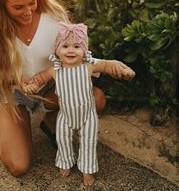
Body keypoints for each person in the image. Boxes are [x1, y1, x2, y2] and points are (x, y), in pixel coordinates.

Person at [0, 0, 107, 177]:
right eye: (18, 7)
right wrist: (17, 80)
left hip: (51, 88)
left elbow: (74, 55)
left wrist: (50, 75)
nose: (28, 11)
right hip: (14, 92)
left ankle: (51, 120)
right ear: (1, 6)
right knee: (18, 166)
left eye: (32, 1)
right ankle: (1, 115)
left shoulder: (54, 17)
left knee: (96, 99)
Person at [22, 22, 135, 186]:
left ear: (84, 50)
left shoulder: (88, 65)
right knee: (63, 140)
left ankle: (87, 169)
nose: (70, 50)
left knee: (88, 141)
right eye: (65, 46)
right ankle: (65, 162)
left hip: (87, 116)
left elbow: (107, 65)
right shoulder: (55, 69)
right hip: (65, 116)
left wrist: (124, 71)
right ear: (58, 49)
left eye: (76, 46)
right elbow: (39, 79)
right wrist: (32, 85)